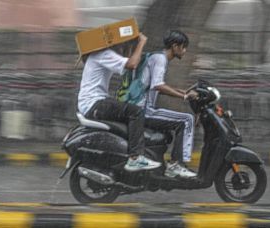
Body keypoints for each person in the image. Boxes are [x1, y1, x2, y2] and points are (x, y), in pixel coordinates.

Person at [77, 33, 161, 172]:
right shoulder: (104, 53)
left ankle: (127, 154)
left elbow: (128, 62)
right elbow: (132, 64)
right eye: (123, 44)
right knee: (135, 112)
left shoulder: (99, 54)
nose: (124, 48)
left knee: (126, 109)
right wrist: (141, 43)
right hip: (94, 104)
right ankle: (135, 158)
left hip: (93, 103)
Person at [137, 30, 198, 178]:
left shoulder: (155, 57)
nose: (185, 50)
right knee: (187, 119)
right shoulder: (160, 59)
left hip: (140, 108)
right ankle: (176, 165)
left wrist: (182, 91)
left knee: (180, 120)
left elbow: (157, 86)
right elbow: (158, 85)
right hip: (145, 110)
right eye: (183, 47)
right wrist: (184, 96)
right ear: (175, 46)